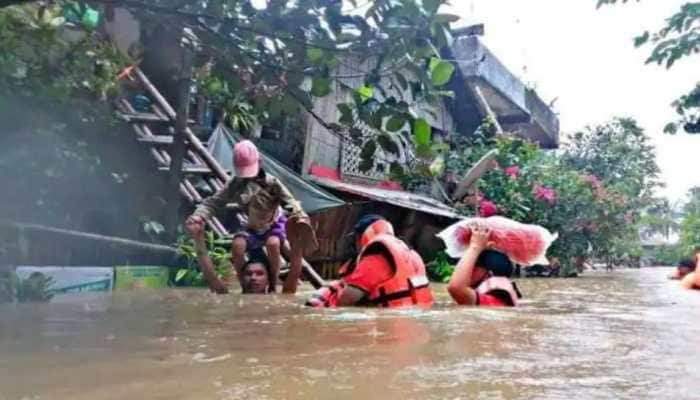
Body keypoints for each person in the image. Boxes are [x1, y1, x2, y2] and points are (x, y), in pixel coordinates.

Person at [185, 140, 316, 294]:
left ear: (259, 163)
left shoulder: (272, 182)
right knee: (237, 245)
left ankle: (274, 283)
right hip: (252, 226)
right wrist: (199, 217)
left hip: (273, 223)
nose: (254, 278)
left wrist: (300, 217)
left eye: (259, 275)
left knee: (273, 244)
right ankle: (243, 286)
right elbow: (212, 203)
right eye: (250, 275)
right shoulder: (235, 184)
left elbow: (290, 201)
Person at [306, 214, 433, 308]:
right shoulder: (413, 255)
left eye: (356, 238)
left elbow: (346, 300)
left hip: (389, 326)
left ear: (362, 237)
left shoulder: (374, 260)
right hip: (411, 325)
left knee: (332, 289)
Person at [446, 223, 522, 307]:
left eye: (475, 264)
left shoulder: (492, 301)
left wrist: (475, 247)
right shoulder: (496, 300)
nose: (469, 267)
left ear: (489, 274)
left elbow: (456, 288)